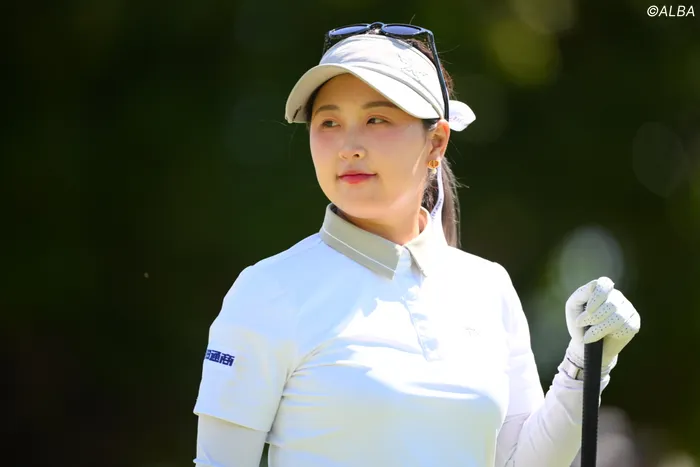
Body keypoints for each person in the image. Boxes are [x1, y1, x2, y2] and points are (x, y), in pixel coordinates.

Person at [192, 22, 641, 467]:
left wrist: (586, 364)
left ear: (436, 142)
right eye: (329, 122)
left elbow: (520, 463)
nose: (348, 146)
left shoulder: (488, 287)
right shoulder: (267, 290)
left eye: (376, 119)